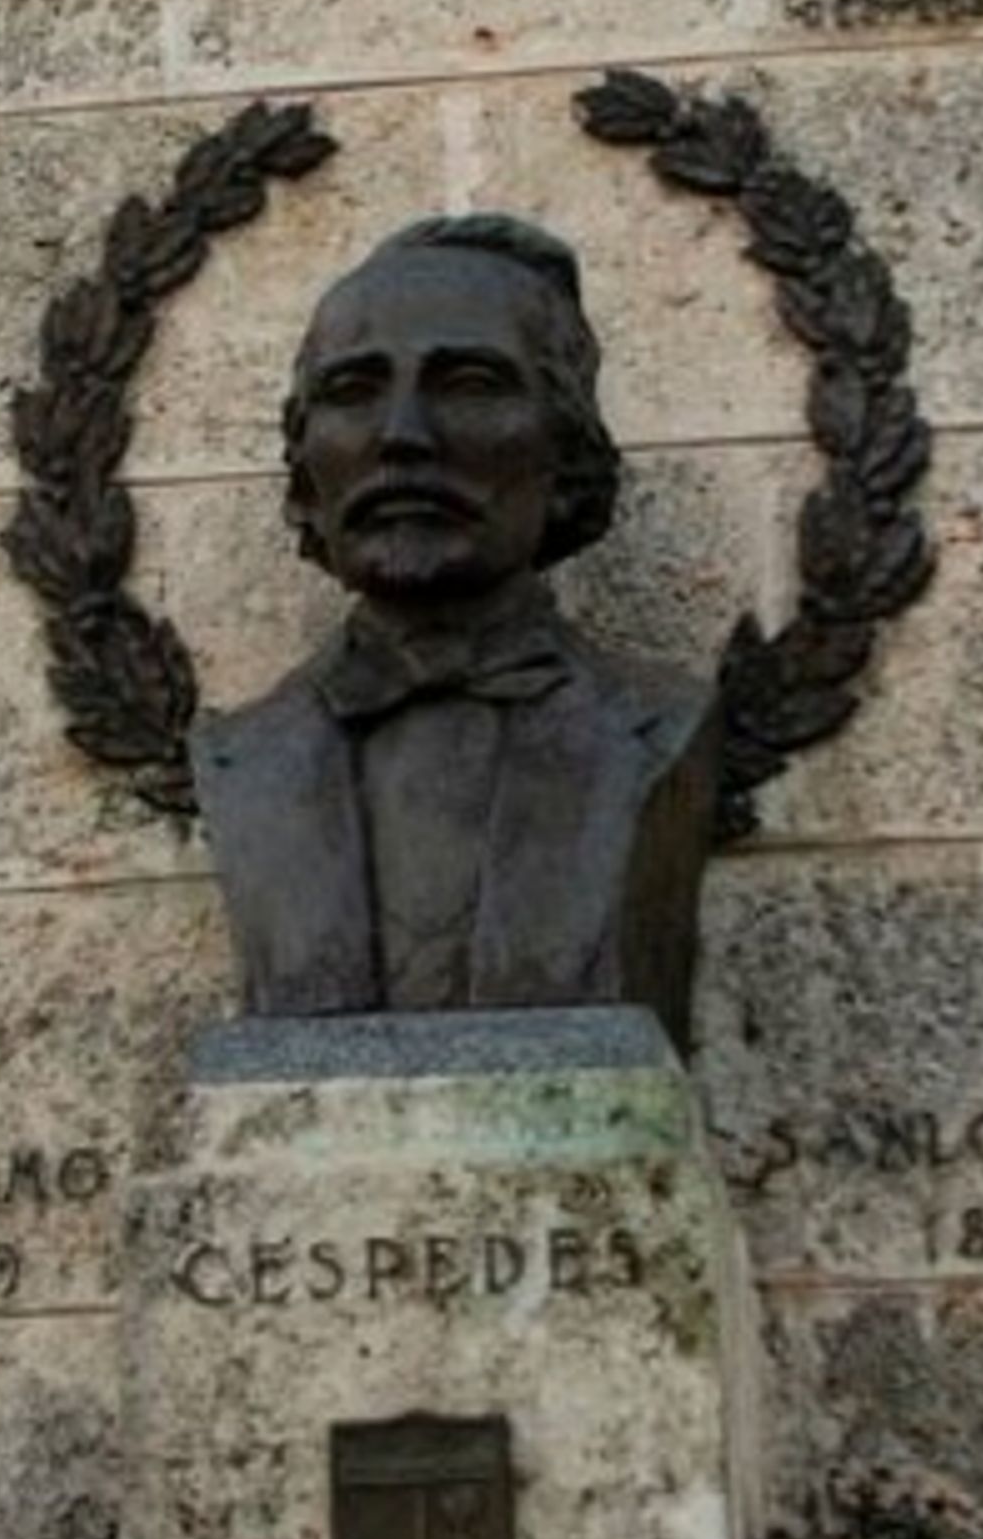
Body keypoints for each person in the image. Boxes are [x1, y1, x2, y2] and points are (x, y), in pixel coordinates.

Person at [191, 217, 718, 1034]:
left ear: (566, 446)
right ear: (304, 469)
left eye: (470, 384)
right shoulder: (246, 757)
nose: (402, 436)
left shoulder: (660, 732)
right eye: (354, 391)